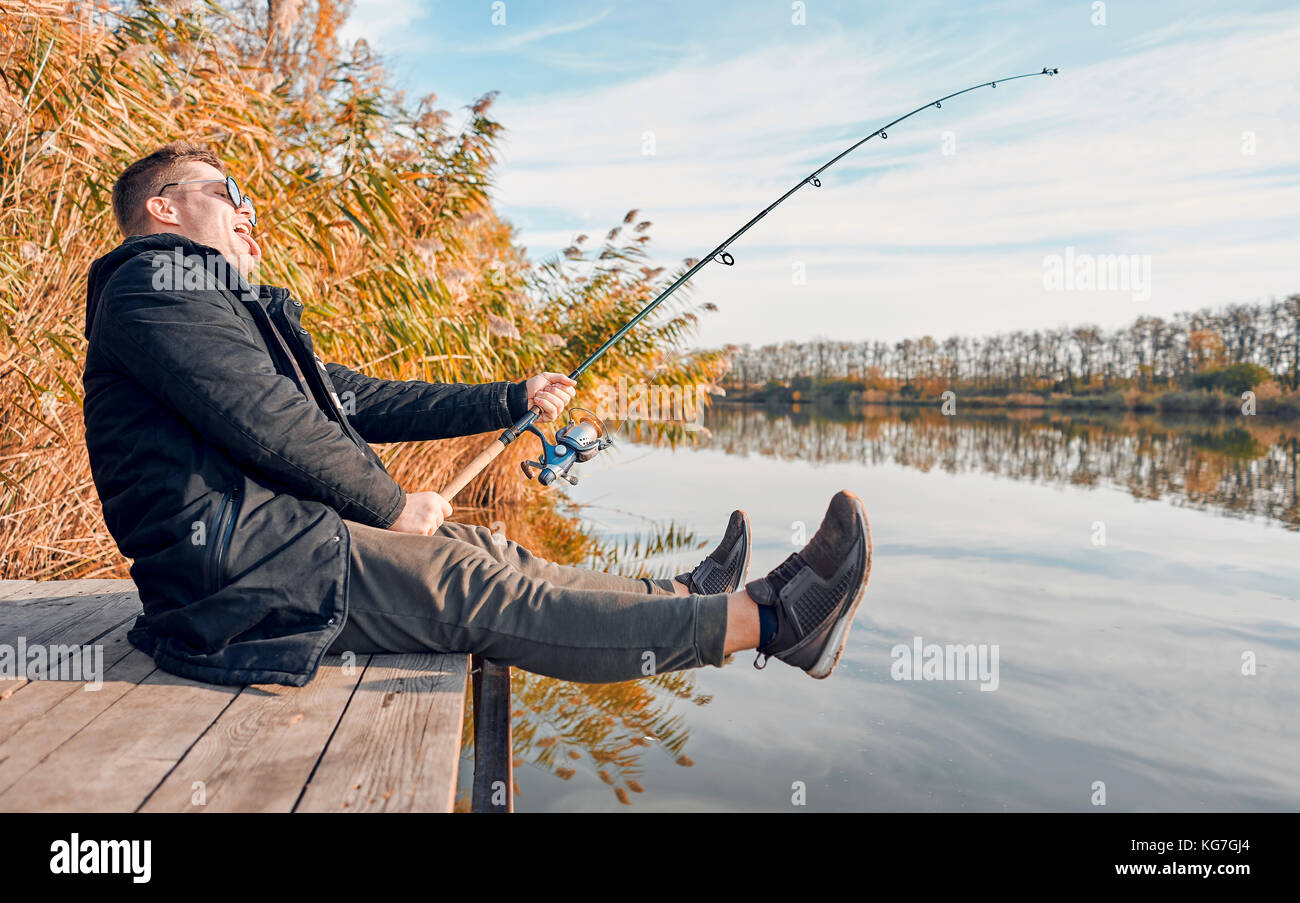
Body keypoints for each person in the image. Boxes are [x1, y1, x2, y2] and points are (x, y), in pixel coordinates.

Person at [82, 140, 871, 689]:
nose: (250, 211)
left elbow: (356, 400)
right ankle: (769, 622)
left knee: (494, 552)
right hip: (232, 577)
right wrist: (391, 504)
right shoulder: (154, 287)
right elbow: (264, 419)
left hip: (276, 542)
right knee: (471, 583)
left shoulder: (211, 302)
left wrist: (508, 398)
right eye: (230, 194)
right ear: (164, 206)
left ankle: (681, 596)